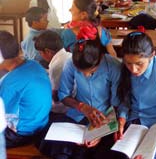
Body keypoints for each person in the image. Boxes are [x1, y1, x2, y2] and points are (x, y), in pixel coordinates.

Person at [39, 26, 121, 159]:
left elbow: (116, 105)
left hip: (104, 119)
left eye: (91, 71)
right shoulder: (71, 63)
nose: (87, 75)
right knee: (59, 148)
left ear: (100, 57)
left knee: (102, 152)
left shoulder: (114, 66)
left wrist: (100, 132)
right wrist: (82, 107)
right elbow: (64, 95)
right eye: (81, 72)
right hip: (76, 116)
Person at [116, 32, 156, 159]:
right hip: (134, 122)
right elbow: (126, 101)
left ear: (152, 55)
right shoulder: (124, 69)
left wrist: (152, 142)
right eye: (128, 63)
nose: (133, 69)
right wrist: (122, 118)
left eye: (139, 64)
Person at [0, 31, 52, 148]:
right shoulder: (34, 64)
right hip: (41, 123)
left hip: (22, 134)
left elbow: (3, 114)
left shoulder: (10, 84)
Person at [34, 30, 72, 116]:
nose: (41, 55)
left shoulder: (56, 66)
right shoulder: (69, 55)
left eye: (40, 53)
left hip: (63, 108)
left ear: (47, 51)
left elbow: (56, 96)